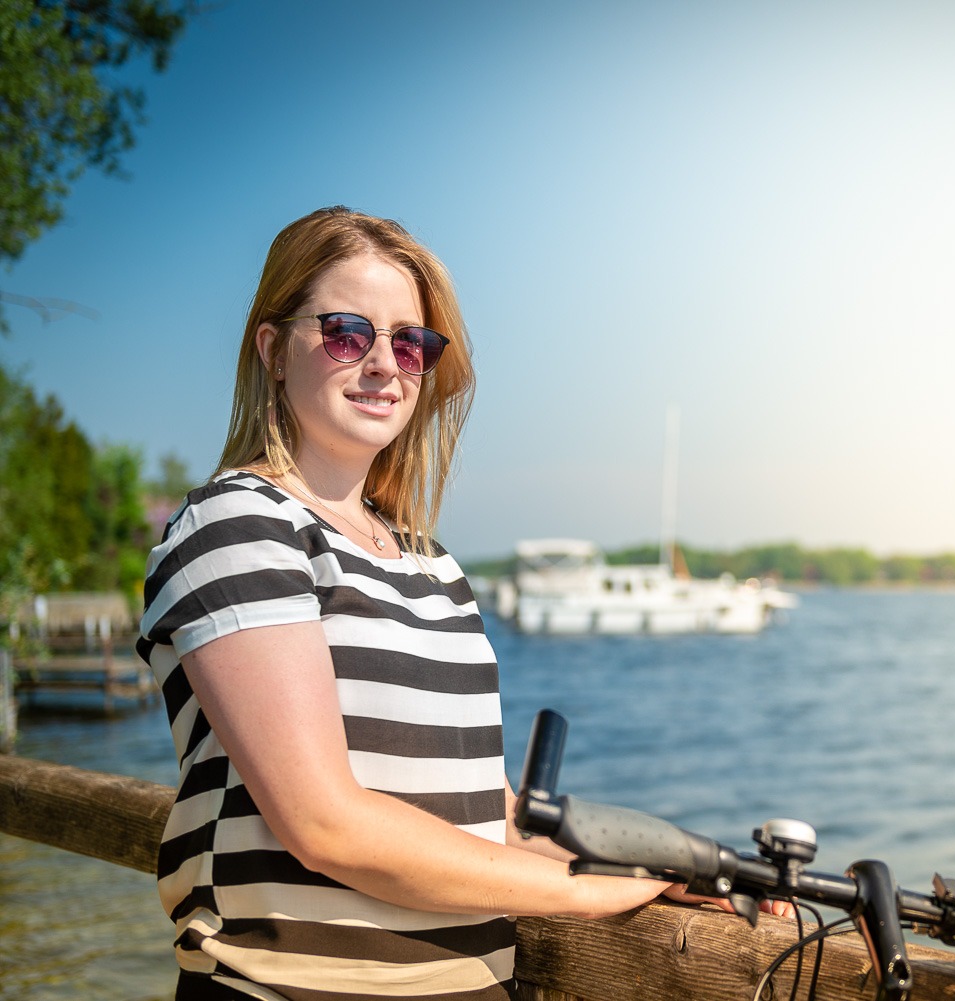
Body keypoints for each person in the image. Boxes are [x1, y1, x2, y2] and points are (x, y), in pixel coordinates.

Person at [137, 207, 747, 1000]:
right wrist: (580, 894)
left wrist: (659, 868)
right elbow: (325, 822)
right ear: (272, 350)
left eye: (411, 342)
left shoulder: (431, 565)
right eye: (348, 332)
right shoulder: (238, 524)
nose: (386, 364)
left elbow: (486, 818)